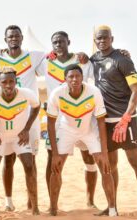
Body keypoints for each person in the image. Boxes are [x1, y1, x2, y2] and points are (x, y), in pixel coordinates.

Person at [91, 25, 137, 216]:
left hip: (125, 120)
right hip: (105, 122)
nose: (102, 41)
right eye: (98, 39)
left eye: (105, 38)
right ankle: (112, 207)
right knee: (110, 166)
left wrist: (126, 118)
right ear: (95, 41)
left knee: (136, 162)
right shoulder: (93, 60)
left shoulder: (123, 59)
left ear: (112, 38)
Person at [36, 31, 98, 207]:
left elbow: (98, 72)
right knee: (52, 159)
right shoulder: (46, 63)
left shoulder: (82, 61)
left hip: (82, 117)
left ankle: (90, 201)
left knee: (89, 158)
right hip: (56, 119)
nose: (58, 45)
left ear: (68, 42)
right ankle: (52, 203)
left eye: (61, 42)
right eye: (54, 42)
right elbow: (21, 65)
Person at [0, 25, 44, 210]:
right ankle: (8, 201)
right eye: (10, 37)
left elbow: (54, 56)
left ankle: (31, 201)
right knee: (8, 160)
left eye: (17, 36)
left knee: (31, 160)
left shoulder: (33, 56)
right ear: (5, 40)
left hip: (28, 118)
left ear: (21, 38)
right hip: (6, 116)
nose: (13, 39)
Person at [47, 64, 116, 216]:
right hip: (66, 130)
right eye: (70, 77)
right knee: (56, 167)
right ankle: (53, 208)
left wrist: (104, 152)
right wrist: (55, 154)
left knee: (105, 166)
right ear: (65, 79)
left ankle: (112, 209)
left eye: (77, 76)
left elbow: (100, 121)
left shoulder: (93, 91)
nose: (74, 79)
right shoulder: (57, 93)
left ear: (82, 78)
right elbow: (50, 124)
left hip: (89, 130)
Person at [0, 67, 41, 218]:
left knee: (29, 166)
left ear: (16, 81)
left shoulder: (26, 94)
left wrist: (27, 128)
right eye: (4, 82)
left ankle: (35, 208)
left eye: (12, 81)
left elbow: (36, 107)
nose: (9, 85)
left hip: (19, 137)